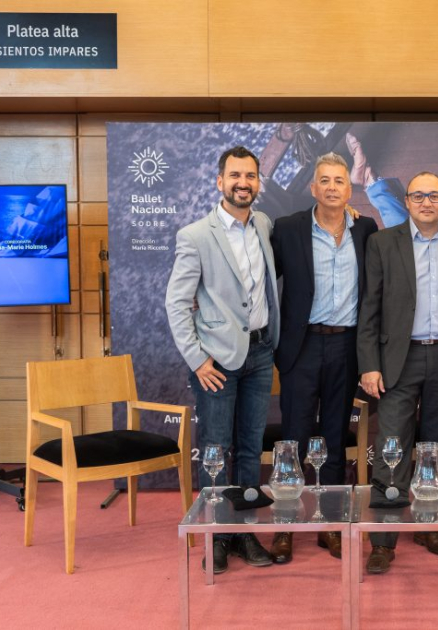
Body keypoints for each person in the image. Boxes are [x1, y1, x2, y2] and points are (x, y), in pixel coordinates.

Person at [165, 146, 280, 574]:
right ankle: (216, 537)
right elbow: (177, 303)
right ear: (220, 181)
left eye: (250, 176)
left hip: (260, 352)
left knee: (250, 450)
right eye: (235, 175)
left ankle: (244, 532)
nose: (242, 183)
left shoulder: (263, 224)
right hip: (216, 362)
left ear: (258, 182)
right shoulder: (196, 236)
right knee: (215, 451)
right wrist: (197, 360)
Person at [357, 171, 438, 574]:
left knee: (435, 448)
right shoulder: (382, 243)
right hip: (397, 360)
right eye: (418, 196)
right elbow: (369, 307)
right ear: (406, 201)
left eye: (434, 195)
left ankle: (429, 525)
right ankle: (383, 540)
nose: (427, 202)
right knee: (391, 447)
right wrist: (369, 364)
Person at [269, 153, 378, 563]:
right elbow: (262, 280)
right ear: (313, 188)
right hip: (302, 346)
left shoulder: (365, 229)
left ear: (350, 189)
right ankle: (285, 524)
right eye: (325, 180)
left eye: (339, 181)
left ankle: (330, 523)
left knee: (334, 437)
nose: (332, 187)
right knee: (293, 439)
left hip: (346, 347)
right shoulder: (288, 228)